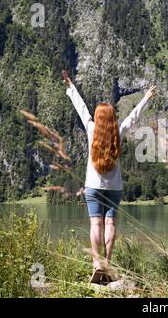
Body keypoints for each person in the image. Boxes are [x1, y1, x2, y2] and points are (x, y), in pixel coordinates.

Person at [63, 70, 156, 283]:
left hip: (93, 186)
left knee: (95, 223)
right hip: (114, 187)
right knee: (110, 223)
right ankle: (107, 263)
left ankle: (96, 264)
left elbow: (82, 109)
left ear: (98, 118)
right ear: (112, 118)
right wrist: (145, 99)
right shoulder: (119, 132)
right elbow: (133, 117)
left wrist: (71, 87)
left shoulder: (91, 129)